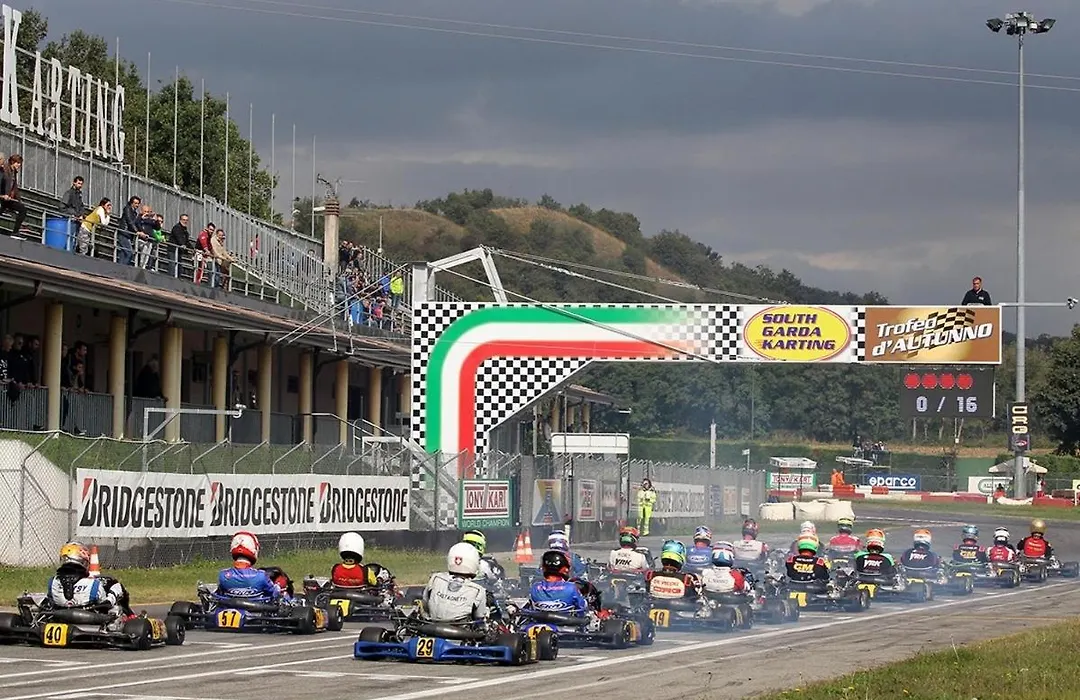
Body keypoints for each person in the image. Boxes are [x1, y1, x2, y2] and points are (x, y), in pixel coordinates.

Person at [47, 542, 132, 619]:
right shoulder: (93, 584)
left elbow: (50, 601)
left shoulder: (53, 582)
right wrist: (108, 601)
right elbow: (102, 602)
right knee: (116, 587)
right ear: (83, 561)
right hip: (91, 618)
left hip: (58, 616)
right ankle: (130, 615)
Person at [421, 543, 489, 623]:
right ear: (474, 563)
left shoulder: (435, 579)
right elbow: (479, 618)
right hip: (461, 629)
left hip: (431, 626)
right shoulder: (478, 590)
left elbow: (425, 605)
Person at [217, 532, 285, 601]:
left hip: (229, 607)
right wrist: (278, 585)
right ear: (254, 550)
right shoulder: (261, 576)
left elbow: (219, 594)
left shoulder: (223, 575)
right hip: (257, 607)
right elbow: (274, 592)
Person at [527, 550, 590, 615]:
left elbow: (529, 609)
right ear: (565, 569)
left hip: (539, 620)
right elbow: (582, 608)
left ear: (543, 568)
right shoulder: (571, 588)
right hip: (566, 620)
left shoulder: (535, 588)